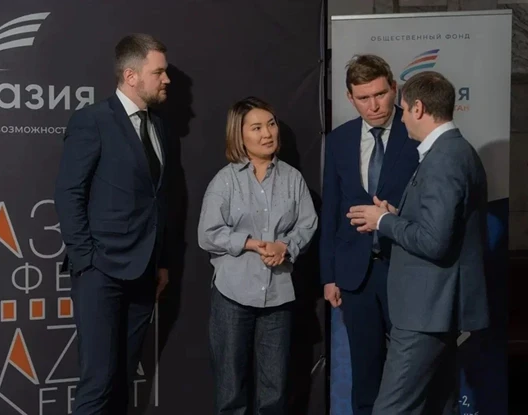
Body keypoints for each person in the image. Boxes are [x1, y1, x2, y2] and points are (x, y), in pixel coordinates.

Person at [347, 71, 489, 414]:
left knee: (391, 409)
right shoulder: (452, 151)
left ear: (419, 108)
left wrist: (383, 221)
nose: (401, 118)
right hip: (435, 308)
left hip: (425, 311)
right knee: (438, 406)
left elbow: (434, 242)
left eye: (404, 109)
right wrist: (396, 215)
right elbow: (441, 227)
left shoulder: (445, 158)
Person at [54, 33, 172, 415]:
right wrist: (86, 260)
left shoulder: (159, 128)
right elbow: (68, 192)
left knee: (122, 381)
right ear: (131, 75)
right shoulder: (93, 120)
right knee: (98, 383)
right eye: (159, 72)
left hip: (144, 273)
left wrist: (161, 261)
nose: (166, 79)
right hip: (100, 271)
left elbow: (157, 199)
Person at [197, 97, 318, 415]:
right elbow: (207, 234)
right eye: (256, 127)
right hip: (232, 295)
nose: (267, 133)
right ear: (239, 135)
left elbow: (308, 224)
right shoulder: (226, 180)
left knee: (274, 392)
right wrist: (250, 243)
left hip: (278, 296)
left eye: (271, 124)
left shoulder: (293, 178)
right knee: (230, 391)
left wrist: (285, 246)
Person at [319, 54, 419, 415]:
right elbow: (331, 210)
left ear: (394, 88)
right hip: (355, 274)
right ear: (350, 98)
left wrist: (396, 217)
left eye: (380, 94)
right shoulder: (339, 140)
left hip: (405, 269)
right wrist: (329, 276)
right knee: (365, 372)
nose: (374, 105)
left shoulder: (416, 133)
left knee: (413, 372)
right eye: (363, 98)